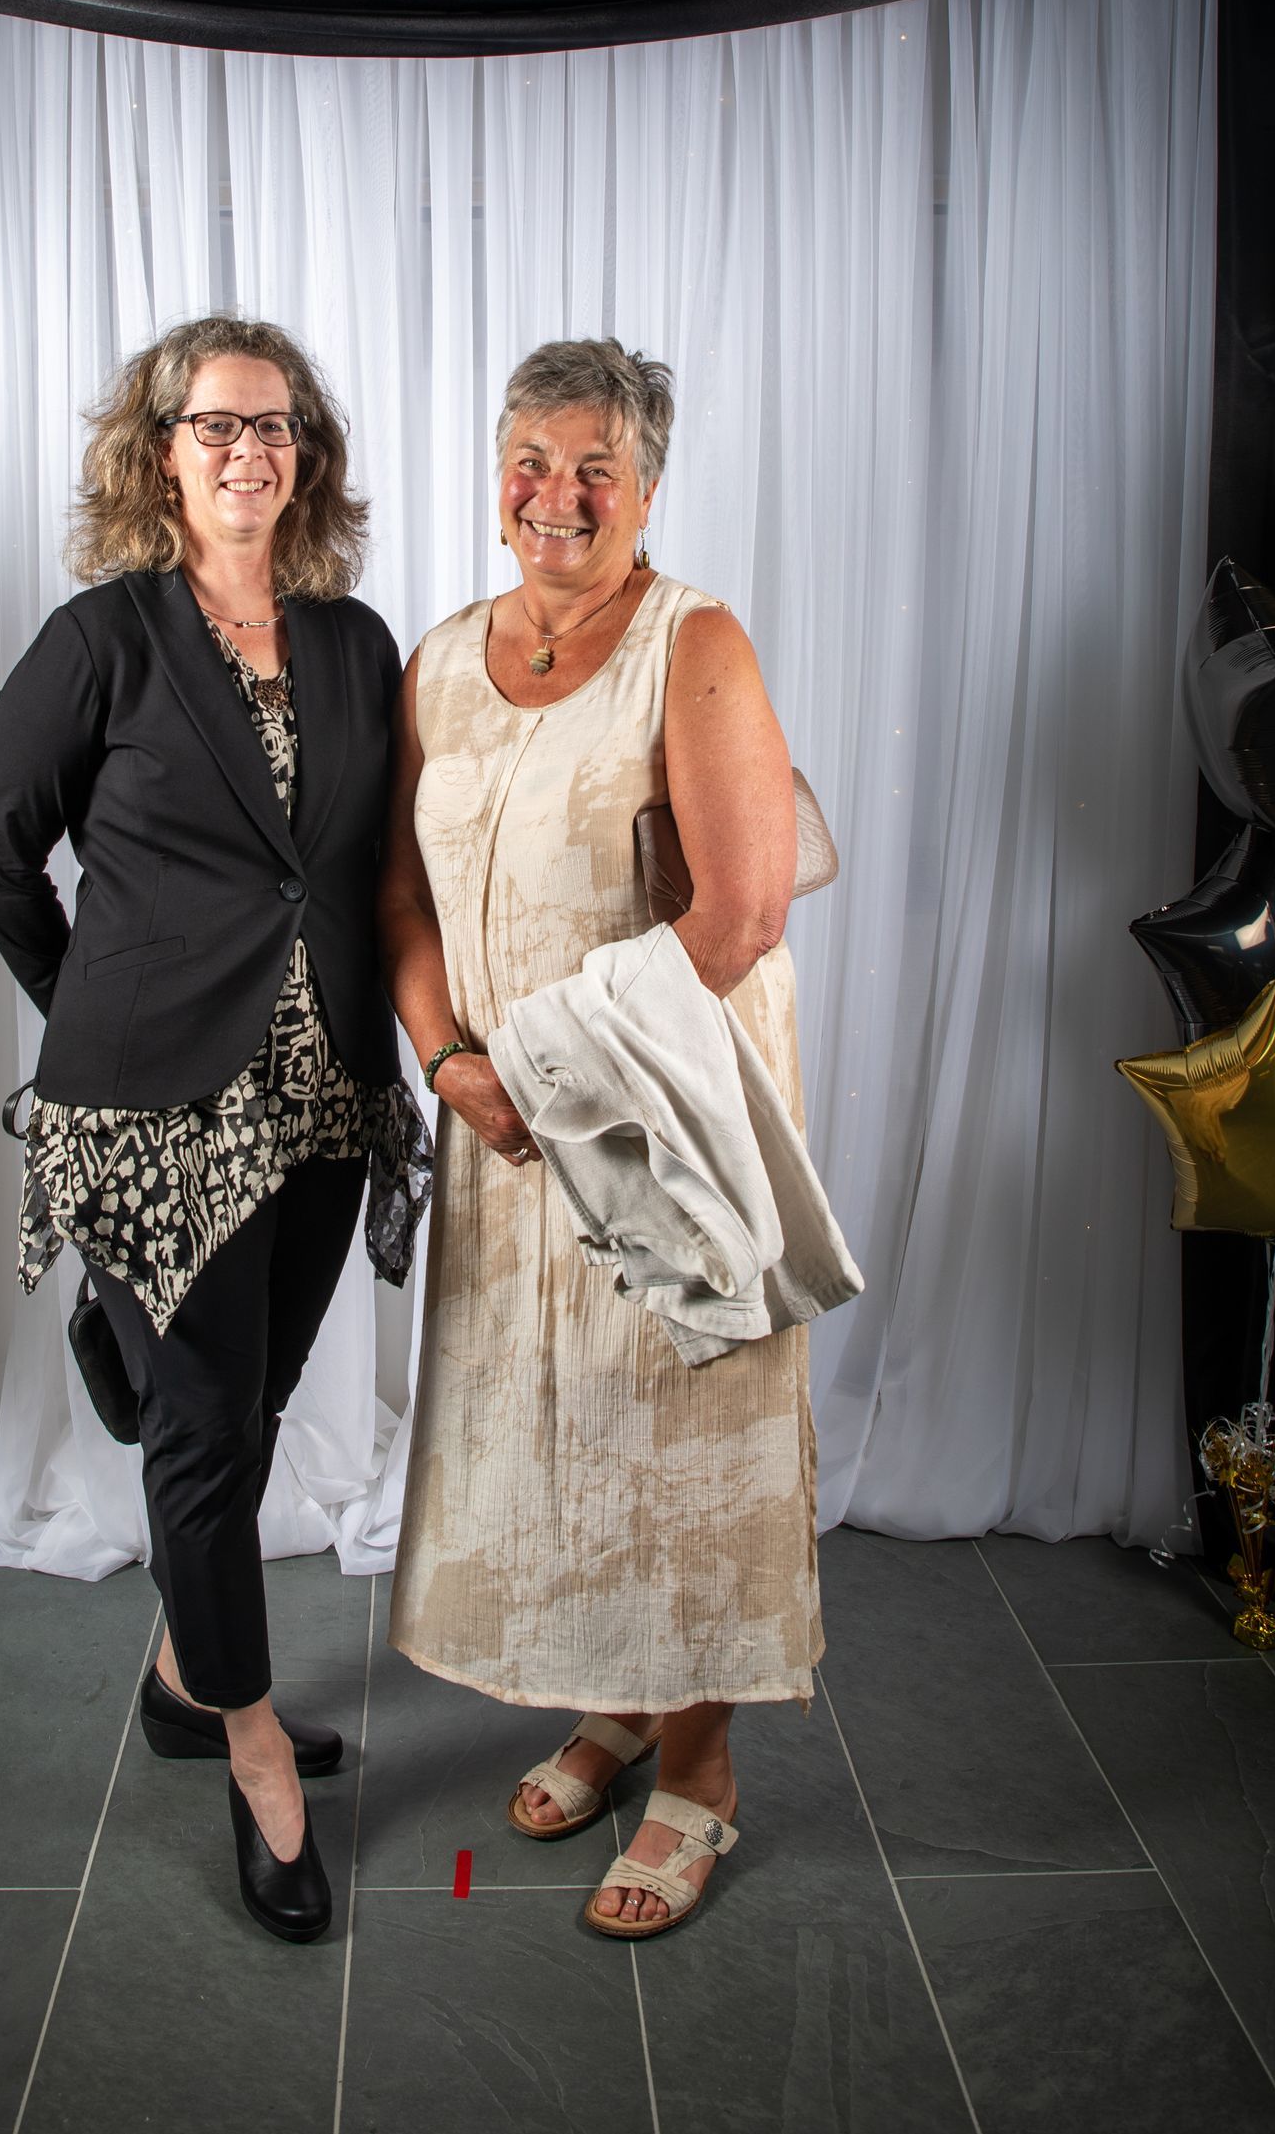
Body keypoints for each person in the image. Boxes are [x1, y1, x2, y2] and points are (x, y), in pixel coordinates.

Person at [0, 314, 423, 1945]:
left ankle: (177, 1671)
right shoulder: (102, 639)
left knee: (249, 1408)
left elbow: (373, 874)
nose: (250, 450)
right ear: (161, 450)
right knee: (206, 1426)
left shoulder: (359, 645)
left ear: (309, 454)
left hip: (322, 1100)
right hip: (151, 1114)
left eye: (278, 424)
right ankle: (246, 1747)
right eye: (217, 424)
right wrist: (97, 1010)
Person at [379, 337, 817, 1939]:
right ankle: (616, 1701)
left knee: (673, 1434)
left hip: (654, 1114)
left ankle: (698, 1771)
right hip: (498, 1122)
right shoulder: (436, 657)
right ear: (497, 470)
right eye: (533, 460)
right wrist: (446, 1055)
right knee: (553, 1424)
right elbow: (399, 890)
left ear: (645, 488)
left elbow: (744, 909)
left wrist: (550, 1069)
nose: (556, 495)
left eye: (595, 469)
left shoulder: (692, 640)